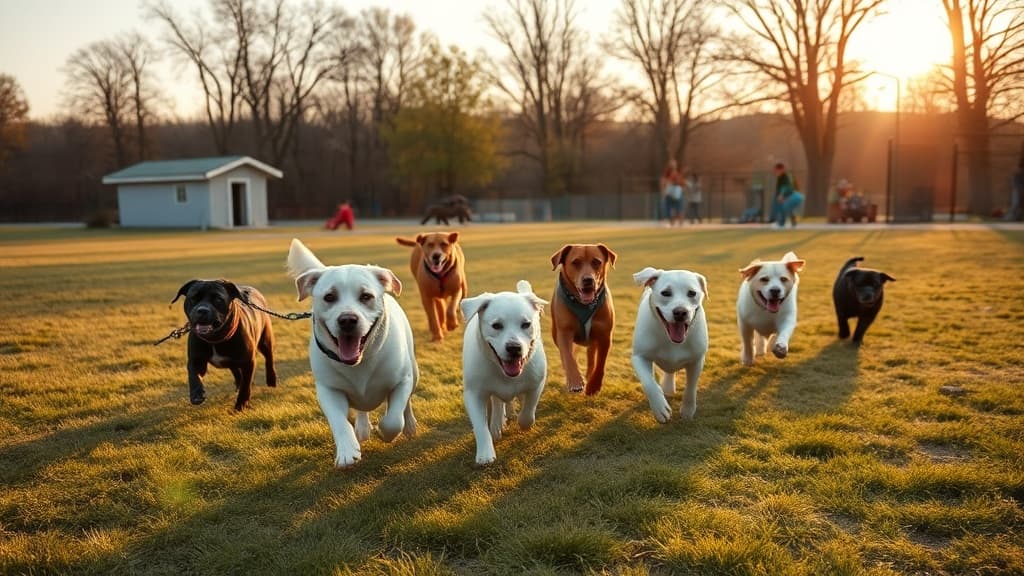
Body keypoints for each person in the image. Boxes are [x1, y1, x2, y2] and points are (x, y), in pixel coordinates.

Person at [773, 162, 803, 228]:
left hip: (790, 196)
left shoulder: (784, 177)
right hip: (789, 196)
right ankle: (790, 222)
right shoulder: (780, 177)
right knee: (787, 208)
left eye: (777, 170)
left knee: (784, 207)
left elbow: (785, 187)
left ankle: (781, 223)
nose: (775, 172)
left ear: (781, 170)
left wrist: (781, 195)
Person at [660, 159, 685, 227]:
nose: (673, 165)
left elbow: (682, 182)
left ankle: (680, 224)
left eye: (674, 164)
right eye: (671, 164)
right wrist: (663, 190)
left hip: (677, 192)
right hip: (670, 193)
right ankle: (672, 223)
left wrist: (681, 187)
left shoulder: (678, 172)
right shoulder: (666, 173)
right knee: (671, 209)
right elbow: (663, 181)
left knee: (679, 208)